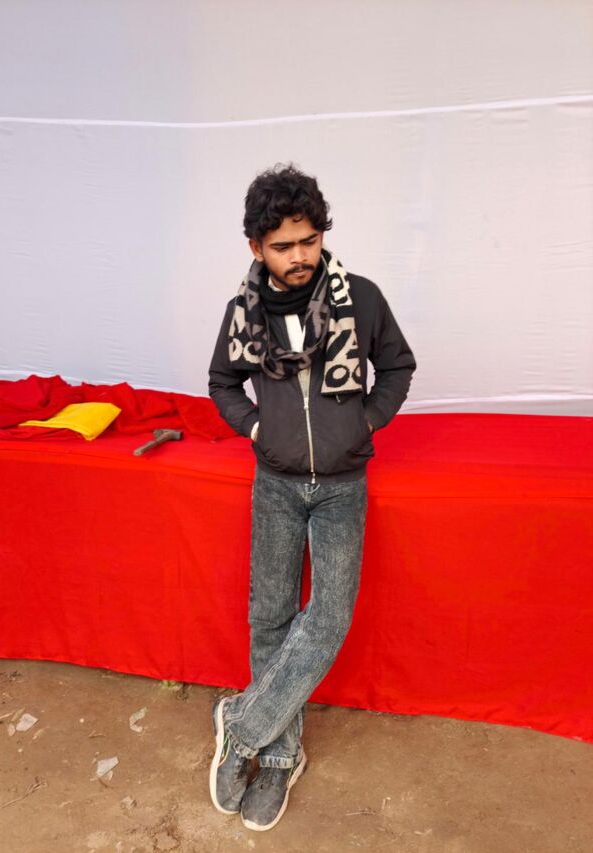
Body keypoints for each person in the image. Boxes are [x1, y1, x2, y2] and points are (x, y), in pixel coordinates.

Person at [207, 163, 417, 831]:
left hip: (342, 485)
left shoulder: (361, 298)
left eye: (309, 240)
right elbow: (222, 381)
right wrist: (257, 428)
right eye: (283, 245)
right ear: (256, 247)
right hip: (276, 482)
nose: (299, 256)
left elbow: (398, 366)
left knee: (327, 617)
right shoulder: (243, 313)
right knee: (269, 616)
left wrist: (364, 422)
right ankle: (279, 756)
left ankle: (242, 726)